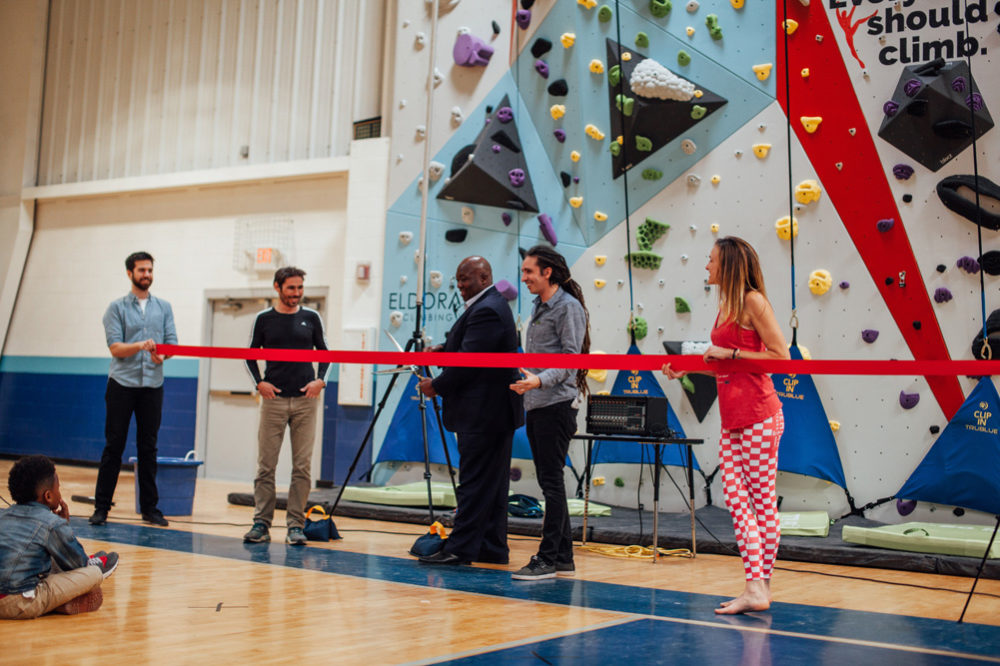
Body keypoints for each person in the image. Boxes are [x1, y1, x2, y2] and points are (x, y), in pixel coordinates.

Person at [662, 236, 789, 614]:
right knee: (742, 501)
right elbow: (722, 361)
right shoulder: (727, 305)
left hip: (758, 416)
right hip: (735, 419)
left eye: (712, 260)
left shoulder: (753, 301)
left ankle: (757, 588)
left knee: (755, 503)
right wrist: (686, 366)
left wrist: (731, 352)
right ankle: (758, 589)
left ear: (728, 264)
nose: (707, 266)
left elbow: (780, 357)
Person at [416, 256, 523, 566]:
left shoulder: (487, 309)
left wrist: (437, 385)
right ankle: (491, 547)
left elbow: (470, 363)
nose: (461, 285)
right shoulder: (489, 304)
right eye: (458, 279)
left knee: (475, 483)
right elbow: (472, 351)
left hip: (484, 414)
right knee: (491, 484)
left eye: (466, 279)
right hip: (493, 413)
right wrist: (446, 351)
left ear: (485, 276)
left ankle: (460, 549)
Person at [509, 246, 589, 580]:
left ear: (548, 273)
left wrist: (539, 380)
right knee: (549, 481)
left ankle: (547, 558)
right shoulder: (538, 307)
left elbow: (571, 360)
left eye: (529, 272)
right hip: (538, 404)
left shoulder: (567, 308)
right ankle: (564, 556)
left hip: (556, 406)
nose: (524, 277)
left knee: (551, 483)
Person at [243, 266, 330, 546]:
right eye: (291, 288)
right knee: (266, 466)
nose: (296, 293)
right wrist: (259, 382)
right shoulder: (264, 319)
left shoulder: (311, 317)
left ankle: (295, 525)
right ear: (277, 287)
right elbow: (249, 355)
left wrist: (320, 381)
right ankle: (261, 523)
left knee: (302, 467)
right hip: (274, 401)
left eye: (300, 288)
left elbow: (326, 353)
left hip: (306, 401)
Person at [91, 251, 177, 527]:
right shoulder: (116, 308)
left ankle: (150, 509)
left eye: (150, 270)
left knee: (148, 447)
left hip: (152, 385)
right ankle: (101, 507)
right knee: (113, 446)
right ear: (130, 273)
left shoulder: (164, 307)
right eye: (141, 270)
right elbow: (115, 347)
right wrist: (140, 346)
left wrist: (160, 356)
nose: (147, 275)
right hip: (122, 385)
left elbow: (172, 344)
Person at [1, 456, 119, 619]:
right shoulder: (53, 523)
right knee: (92, 574)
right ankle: (62, 600)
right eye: (59, 487)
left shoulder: (2, 514)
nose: (60, 492)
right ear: (48, 496)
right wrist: (65, 526)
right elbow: (77, 565)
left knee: (44, 558)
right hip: (19, 604)